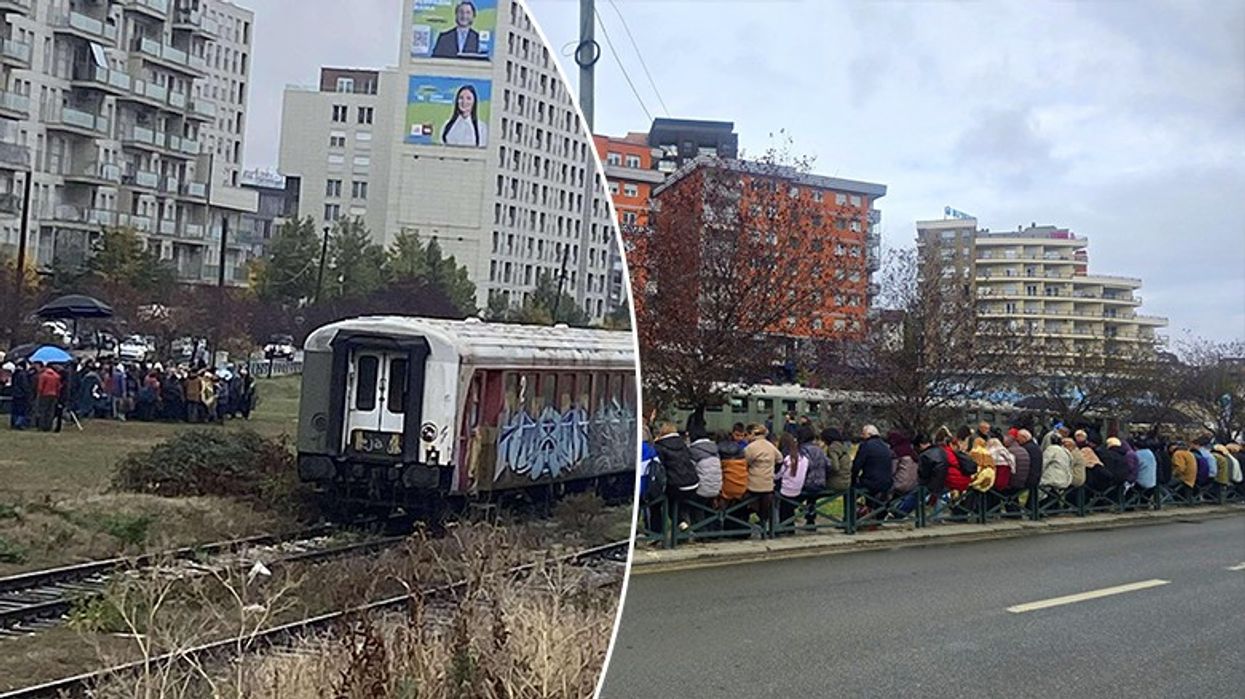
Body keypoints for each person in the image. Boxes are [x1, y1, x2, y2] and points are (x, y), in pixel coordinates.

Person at [653, 422, 698, 532]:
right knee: (682, 504)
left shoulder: (659, 446)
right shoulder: (683, 444)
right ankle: (684, 525)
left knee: (661, 502)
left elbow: (660, 469)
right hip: (693, 483)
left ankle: (673, 526)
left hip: (676, 485)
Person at [743, 424, 781, 528]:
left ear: (752, 434)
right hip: (768, 484)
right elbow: (780, 459)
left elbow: (744, 462)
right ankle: (766, 525)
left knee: (744, 504)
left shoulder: (750, 448)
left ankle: (745, 525)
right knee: (766, 507)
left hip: (753, 484)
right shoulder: (771, 446)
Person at [851, 425, 894, 510]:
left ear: (869, 434)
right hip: (887, 482)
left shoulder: (865, 446)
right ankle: (873, 516)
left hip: (870, 482)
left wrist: (853, 479)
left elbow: (857, 465)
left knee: (850, 493)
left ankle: (849, 518)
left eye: (863, 434)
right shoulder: (886, 446)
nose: (862, 436)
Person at [774, 432, 808, 530]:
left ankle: (778, 526)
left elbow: (778, 475)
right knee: (789, 508)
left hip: (785, 490)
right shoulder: (804, 458)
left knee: (776, 502)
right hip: (798, 489)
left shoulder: (786, 459)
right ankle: (789, 526)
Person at [797, 425, 828, 526]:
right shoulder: (819, 450)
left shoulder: (802, 450)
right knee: (812, 499)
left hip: (806, 483)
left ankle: (787, 523)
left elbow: (805, 465)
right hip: (820, 482)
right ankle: (811, 519)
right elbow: (829, 464)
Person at [687, 427, 722, 511]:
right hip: (717, 488)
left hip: (701, 490)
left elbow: (690, 470)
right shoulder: (715, 450)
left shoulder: (693, 451)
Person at [821, 428, 853, 492]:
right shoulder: (842, 446)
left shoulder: (832, 448)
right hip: (846, 481)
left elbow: (835, 467)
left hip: (836, 482)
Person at [888, 431, 919, 496]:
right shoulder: (913, 452)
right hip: (913, 485)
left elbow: (891, 470)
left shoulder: (897, 452)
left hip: (899, 484)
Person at [34, 362, 62, 432]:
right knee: (50, 411)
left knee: (43, 411)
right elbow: (59, 387)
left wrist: (38, 394)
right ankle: (48, 426)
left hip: (44, 394)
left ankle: (41, 426)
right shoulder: (57, 376)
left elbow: (40, 386)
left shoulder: (43, 375)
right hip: (54, 395)